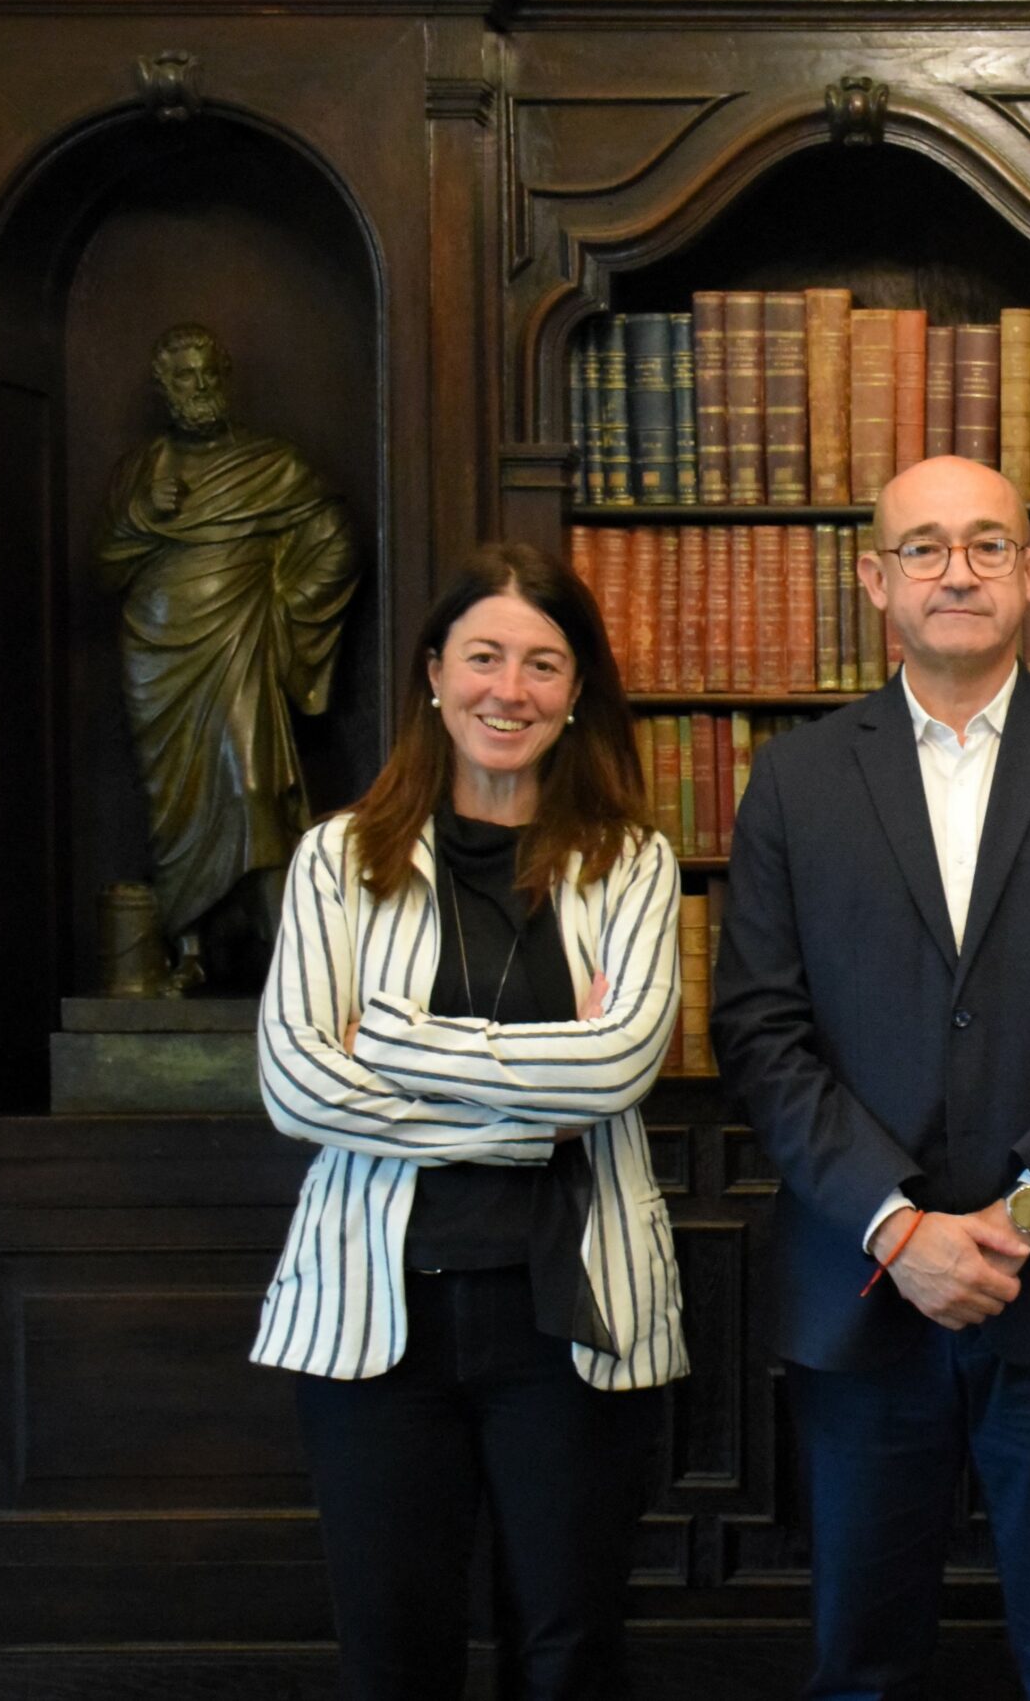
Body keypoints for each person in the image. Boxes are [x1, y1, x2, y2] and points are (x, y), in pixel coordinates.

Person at [712, 455, 1030, 1701]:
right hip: (860, 1293)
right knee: (860, 1666)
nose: (958, 572)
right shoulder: (795, 778)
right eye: (925, 548)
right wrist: (900, 1230)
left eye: (988, 544)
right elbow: (759, 1031)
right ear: (874, 579)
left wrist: (1020, 1215)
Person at [252, 541, 687, 1701]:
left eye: (543, 664)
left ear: (576, 691)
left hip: (573, 1323)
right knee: (396, 1655)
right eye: (484, 657)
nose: (511, 690)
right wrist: (521, 1120)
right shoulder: (338, 858)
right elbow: (297, 1085)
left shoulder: (631, 862)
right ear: (435, 673)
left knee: (568, 1650)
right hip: (376, 1324)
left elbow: (618, 1067)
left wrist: (393, 1040)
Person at [97, 322, 362, 985]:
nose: (200, 386)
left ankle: (286, 957)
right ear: (165, 387)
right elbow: (105, 567)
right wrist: (143, 515)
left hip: (239, 644)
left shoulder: (273, 465)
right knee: (173, 806)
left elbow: (335, 538)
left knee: (252, 789)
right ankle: (184, 954)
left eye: (208, 372)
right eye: (185, 376)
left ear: (226, 378)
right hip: (157, 659)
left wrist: (283, 611)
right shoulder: (139, 472)